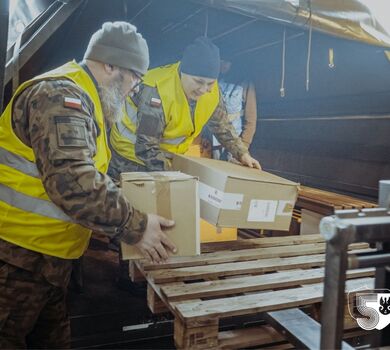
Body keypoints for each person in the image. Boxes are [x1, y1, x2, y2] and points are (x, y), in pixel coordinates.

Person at [0, 21, 176, 349]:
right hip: (16, 259)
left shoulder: (87, 100)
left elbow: (88, 173)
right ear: (110, 65)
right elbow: (74, 183)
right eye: (135, 77)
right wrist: (137, 225)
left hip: (48, 260)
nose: (135, 88)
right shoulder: (61, 95)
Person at [108, 36, 261, 178]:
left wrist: (242, 154)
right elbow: (147, 146)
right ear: (183, 72)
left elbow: (223, 126)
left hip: (168, 158)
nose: (203, 89)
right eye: (198, 82)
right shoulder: (156, 91)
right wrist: (173, 178)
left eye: (210, 83)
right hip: (128, 158)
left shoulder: (212, 92)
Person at [211, 57, 258, 161]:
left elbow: (251, 119)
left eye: (226, 61)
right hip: (211, 139)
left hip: (233, 140)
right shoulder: (212, 81)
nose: (222, 64)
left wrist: (243, 147)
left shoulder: (245, 83)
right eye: (220, 61)